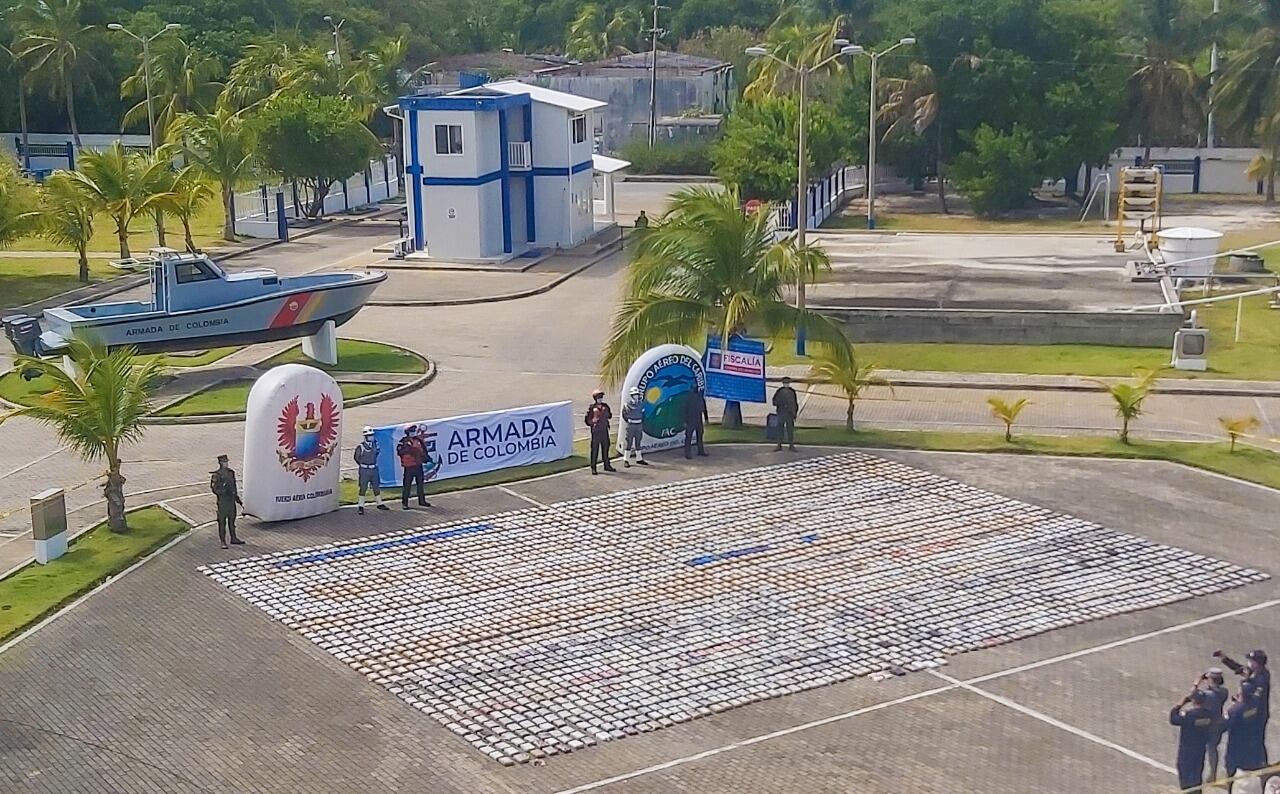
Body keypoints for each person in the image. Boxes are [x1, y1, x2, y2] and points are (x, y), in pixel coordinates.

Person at [1170, 687, 1216, 794]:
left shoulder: (1189, 715)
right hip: (1200, 750)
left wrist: (1179, 704)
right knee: (1196, 775)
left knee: (1186, 777)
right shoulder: (1209, 714)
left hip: (1187, 752)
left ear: (1193, 701)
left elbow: (1173, 718)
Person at [1224, 680, 1269, 782]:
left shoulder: (1235, 710)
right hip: (1251, 741)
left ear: (1241, 693)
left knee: (1232, 772)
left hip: (1236, 745)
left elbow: (1226, 725)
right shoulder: (1255, 703)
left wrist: (1233, 707)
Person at [1216, 649, 1271, 724]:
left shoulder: (1261, 679)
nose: (1249, 663)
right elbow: (1239, 668)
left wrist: (1240, 701)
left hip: (1257, 716)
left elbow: (1255, 700)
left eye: (1251, 661)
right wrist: (1224, 658)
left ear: (1256, 663)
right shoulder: (1255, 671)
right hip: (1249, 713)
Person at [209, 454, 244, 549]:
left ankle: (233, 538)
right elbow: (214, 488)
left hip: (231, 500)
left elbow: (234, 486)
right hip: (223, 502)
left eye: (226, 462)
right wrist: (223, 490)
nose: (226, 464)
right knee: (222, 522)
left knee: (232, 521)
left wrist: (237, 499)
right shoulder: (217, 475)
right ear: (220, 463)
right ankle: (223, 541)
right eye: (224, 462)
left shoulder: (230, 473)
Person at [353, 426, 390, 515]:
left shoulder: (375, 444)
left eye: (372, 435)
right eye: (369, 435)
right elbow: (356, 458)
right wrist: (363, 465)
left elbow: (377, 454)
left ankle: (379, 503)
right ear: (365, 436)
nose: (371, 437)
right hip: (365, 470)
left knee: (376, 486)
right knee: (363, 488)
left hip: (374, 469)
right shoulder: (361, 447)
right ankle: (361, 506)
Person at [1203, 667, 1230, 784]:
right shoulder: (1224, 692)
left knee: (1210, 748)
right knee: (1213, 748)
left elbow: (1196, 696)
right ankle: (1213, 772)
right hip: (1219, 723)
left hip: (1209, 725)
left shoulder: (1208, 694)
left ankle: (1212, 773)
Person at [396, 425, 431, 509]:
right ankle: (405, 503)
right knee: (407, 485)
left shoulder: (418, 440)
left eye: (414, 431)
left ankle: (422, 501)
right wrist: (409, 449)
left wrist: (427, 459)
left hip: (418, 465)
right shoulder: (403, 441)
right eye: (411, 431)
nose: (413, 432)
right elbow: (399, 452)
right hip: (409, 467)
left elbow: (423, 451)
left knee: (420, 484)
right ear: (407, 432)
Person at [585, 389, 616, 475]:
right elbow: (587, 420)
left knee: (605, 447)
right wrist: (593, 422)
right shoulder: (592, 408)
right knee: (595, 449)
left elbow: (610, 415)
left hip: (604, 430)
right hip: (596, 431)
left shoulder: (605, 406)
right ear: (595, 398)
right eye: (599, 397)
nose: (600, 399)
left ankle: (607, 465)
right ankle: (593, 467)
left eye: (601, 397)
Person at [621, 387, 648, 468]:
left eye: (637, 394)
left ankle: (639, 458)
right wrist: (630, 421)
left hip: (639, 424)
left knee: (638, 441)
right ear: (631, 395)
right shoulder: (627, 405)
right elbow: (624, 415)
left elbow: (644, 415)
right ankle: (626, 459)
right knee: (629, 442)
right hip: (631, 425)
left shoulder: (641, 404)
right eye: (634, 395)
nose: (636, 396)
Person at [773, 376, 799, 452]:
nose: (786, 384)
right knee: (780, 429)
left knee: (790, 430)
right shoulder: (779, 391)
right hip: (781, 412)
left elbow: (794, 403)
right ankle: (779, 444)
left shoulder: (792, 391)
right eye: (785, 383)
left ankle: (791, 445)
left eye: (787, 383)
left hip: (789, 413)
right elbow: (774, 401)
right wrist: (780, 403)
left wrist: (795, 412)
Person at [683, 386, 709, 459]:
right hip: (691, 420)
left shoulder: (699, 398)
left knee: (699, 435)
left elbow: (704, 409)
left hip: (697, 419)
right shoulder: (689, 398)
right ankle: (687, 453)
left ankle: (700, 451)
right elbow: (685, 410)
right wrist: (685, 421)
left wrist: (706, 418)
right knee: (689, 437)